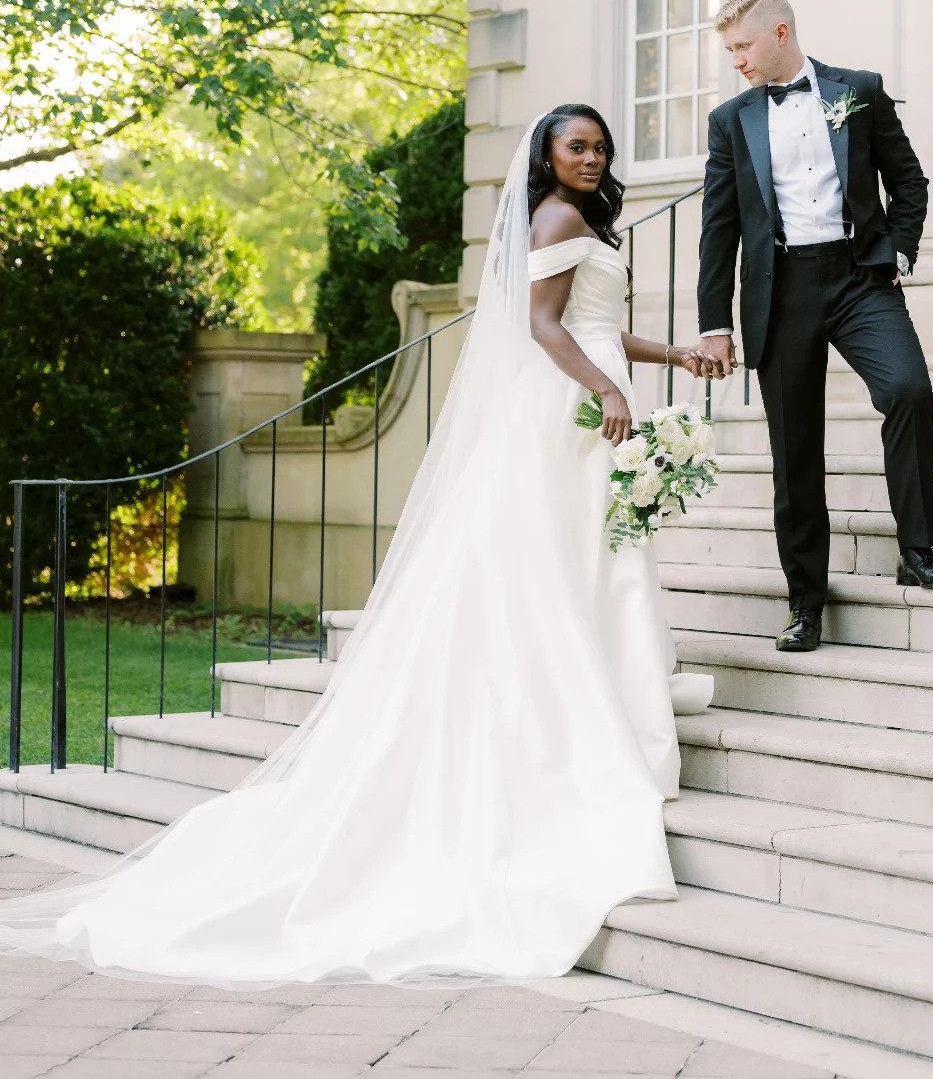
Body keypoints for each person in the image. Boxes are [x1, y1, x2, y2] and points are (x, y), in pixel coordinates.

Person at [0, 107, 716, 986]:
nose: (593, 157)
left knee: (587, 565)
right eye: (578, 146)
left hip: (578, 400)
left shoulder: (581, 220)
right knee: (564, 571)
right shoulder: (557, 216)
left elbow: (591, 319)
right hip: (569, 407)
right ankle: (586, 726)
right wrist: (610, 387)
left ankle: (599, 706)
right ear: (547, 155)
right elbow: (543, 324)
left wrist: (671, 356)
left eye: (600, 147)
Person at [696, 0, 933, 655]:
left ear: (780, 32)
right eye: (729, 50)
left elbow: (909, 183)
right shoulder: (731, 121)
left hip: (858, 279)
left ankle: (918, 547)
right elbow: (717, 229)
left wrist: (898, 250)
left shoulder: (859, 91)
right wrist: (714, 324)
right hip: (780, 290)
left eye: (742, 47)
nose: (736, 61)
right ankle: (805, 602)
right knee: (796, 454)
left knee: (909, 392)